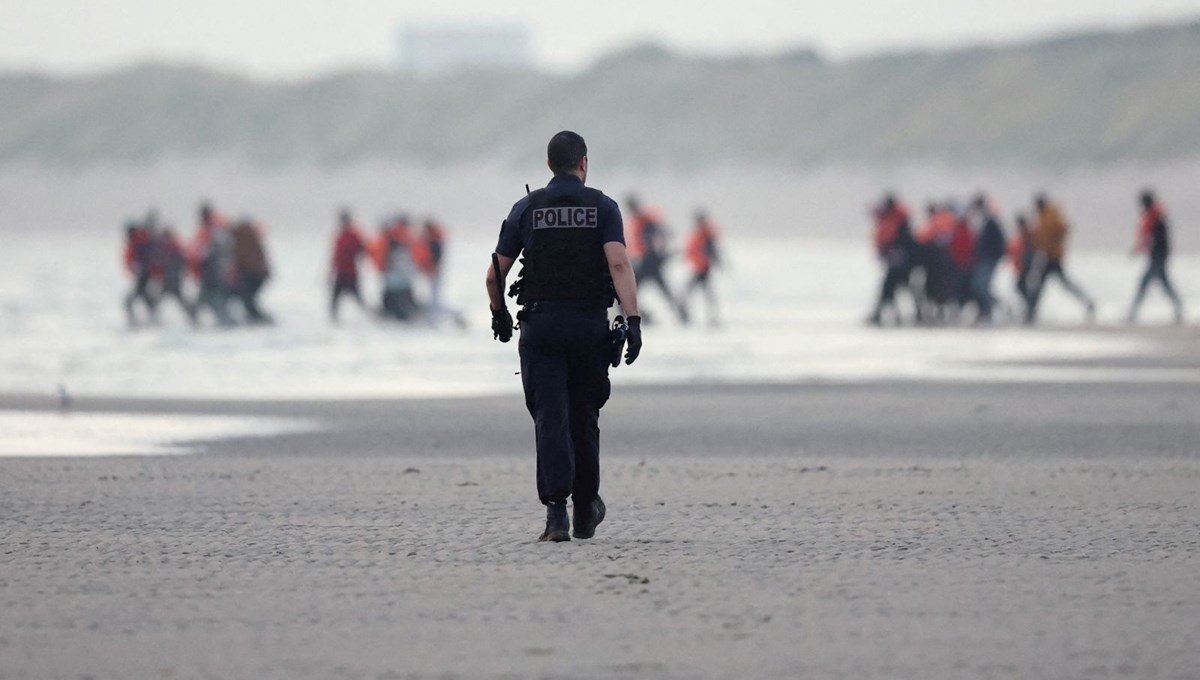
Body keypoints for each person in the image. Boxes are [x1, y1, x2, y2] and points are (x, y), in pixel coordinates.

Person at [487, 130, 642, 543]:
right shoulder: (603, 206)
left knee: (549, 417)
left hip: (541, 328)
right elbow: (619, 264)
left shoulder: (527, 207)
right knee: (584, 415)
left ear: (549, 165)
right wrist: (633, 320)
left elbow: (495, 273)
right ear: (584, 163)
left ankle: (556, 513)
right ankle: (586, 509)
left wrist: (499, 313)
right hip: (589, 327)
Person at [1025, 193, 1095, 324]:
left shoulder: (1050, 215)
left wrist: (1050, 244)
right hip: (1048, 256)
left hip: (1053, 257)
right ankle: (1031, 312)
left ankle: (1030, 312)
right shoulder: (1044, 216)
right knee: (1047, 285)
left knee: (1046, 285)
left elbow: (1062, 229)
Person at [625, 195, 687, 324]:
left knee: (633, 292)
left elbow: (663, 232)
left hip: (650, 261)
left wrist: (662, 251)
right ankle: (646, 315)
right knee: (633, 292)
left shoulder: (646, 220)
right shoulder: (637, 220)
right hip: (645, 261)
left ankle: (682, 314)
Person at [1127, 189, 1184, 324]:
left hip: (1158, 256)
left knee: (1145, 282)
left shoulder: (1158, 218)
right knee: (1164, 283)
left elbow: (1159, 239)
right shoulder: (1155, 217)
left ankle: (1133, 312)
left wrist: (1148, 248)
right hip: (1157, 255)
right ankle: (1178, 307)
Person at [867, 194, 918, 325]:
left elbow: (904, 244)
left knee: (889, 289)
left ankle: (882, 315)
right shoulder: (896, 220)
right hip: (897, 262)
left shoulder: (899, 223)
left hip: (899, 264)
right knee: (894, 290)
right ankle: (896, 315)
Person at [191, 202, 235, 327]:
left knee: (215, 300)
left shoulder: (216, 230)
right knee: (207, 300)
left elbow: (221, 252)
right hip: (211, 273)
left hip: (216, 273)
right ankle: (224, 322)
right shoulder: (209, 230)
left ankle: (226, 323)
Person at [681, 209, 723, 326]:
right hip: (698, 267)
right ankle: (710, 317)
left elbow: (713, 249)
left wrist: (717, 261)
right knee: (705, 294)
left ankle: (711, 317)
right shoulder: (699, 233)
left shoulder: (706, 234)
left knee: (693, 292)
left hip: (703, 268)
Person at [969, 195, 1006, 323]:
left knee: (981, 286)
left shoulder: (990, 222)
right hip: (983, 260)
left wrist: (994, 256)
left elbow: (999, 242)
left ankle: (992, 309)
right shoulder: (983, 222)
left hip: (989, 260)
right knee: (979, 286)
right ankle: (988, 310)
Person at [230, 219, 272, 324]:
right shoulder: (252, 238)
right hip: (259, 274)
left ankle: (259, 319)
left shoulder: (242, 240)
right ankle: (256, 318)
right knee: (248, 299)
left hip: (254, 274)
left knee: (248, 298)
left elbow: (242, 259)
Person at [330, 208, 367, 322]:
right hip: (341, 271)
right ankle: (334, 317)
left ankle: (368, 316)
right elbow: (336, 254)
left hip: (350, 272)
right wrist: (332, 268)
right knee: (335, 297)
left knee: (357, 297)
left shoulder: (354, 235)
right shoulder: (340, 235)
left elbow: (362, 249)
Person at [122, 214, 158, 326]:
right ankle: (152, 319)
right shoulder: (136, 242)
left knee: (131, 301)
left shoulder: (141, 240)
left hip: (144, 276)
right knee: (146, 299)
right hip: (143, 276)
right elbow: (129, 260)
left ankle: (139, 321)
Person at [1008, 214, 1035, 316]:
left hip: (1024, 265)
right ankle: (1028, 307)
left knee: (1021, 287)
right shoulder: (1025, 233)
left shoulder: (1026, 234)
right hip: (1022, 265)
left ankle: (1029, 308)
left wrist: (1024, 262)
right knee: (1021, 287)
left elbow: (1027, 250)